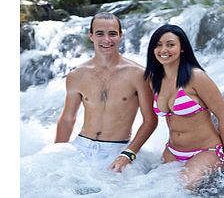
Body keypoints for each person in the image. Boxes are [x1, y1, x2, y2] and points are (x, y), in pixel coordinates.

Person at [54, 12, 157, 172]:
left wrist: (129, 153)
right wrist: (57, 154)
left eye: (113, 34)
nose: (107, 40)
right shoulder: (77, 75)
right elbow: (67, 119)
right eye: (100, 34)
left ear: (121, 36)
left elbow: (150, 120)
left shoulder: (138, 74)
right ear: (91, 36)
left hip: (117, 149)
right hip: (81, 145)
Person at [144, 24, 224, 190]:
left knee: (180, 190)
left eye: (170, 44)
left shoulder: (196, 77)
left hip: (205, 151)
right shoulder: (155, 79)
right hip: (172, 151)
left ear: (182, 48)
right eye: (158, 44)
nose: (163, 49)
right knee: (149, 188)